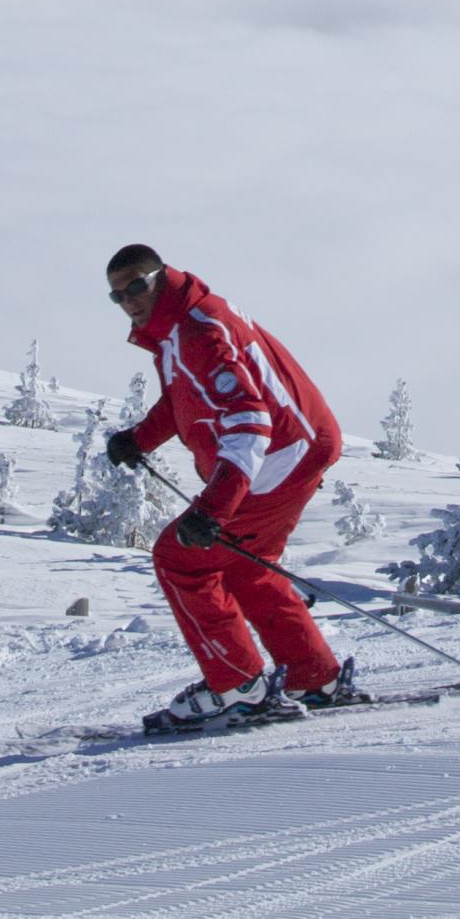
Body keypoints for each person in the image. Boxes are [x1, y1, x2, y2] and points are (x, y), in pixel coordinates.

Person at [100, 244, 357, 735]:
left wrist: (215, 508)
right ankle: (313, 678)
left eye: (136, 286)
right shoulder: (181, 324)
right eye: (117, 296)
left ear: (161, 276)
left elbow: (248, 420)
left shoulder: (197, 329)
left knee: (179, 559)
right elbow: (187, 395)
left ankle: (237, 689)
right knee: (244, 565)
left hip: (279, 457)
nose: (129, 301)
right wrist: (140, 438)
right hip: (298, 447)